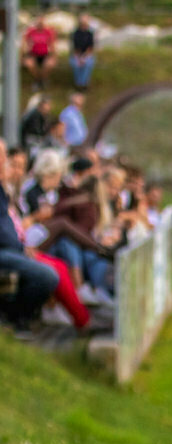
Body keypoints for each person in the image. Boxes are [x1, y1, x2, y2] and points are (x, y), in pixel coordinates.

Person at [0, 140, 59, 339]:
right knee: (47, 275)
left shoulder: (4, 191)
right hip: (7, 251)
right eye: (5, 160)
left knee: (57, 264)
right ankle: (14, 319)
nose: (5, 165)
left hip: (14, 248)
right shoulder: (25, 191)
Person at [21, 15, 58, 91]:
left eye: (42, 23)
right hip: (33, 54)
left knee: (49, 64)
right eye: (38, 23)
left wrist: (54, 56)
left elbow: (52, 45)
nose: (40, 24)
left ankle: (42, 80)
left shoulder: (48, 32)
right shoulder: (31, 32)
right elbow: (24, 43)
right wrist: (23, 55)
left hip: (45, 55)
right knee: (29, 64)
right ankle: (38, 80)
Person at [69, 14, 96, 91]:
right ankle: (78, 83)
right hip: (77, 54)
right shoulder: (75, 33)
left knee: (88, 63)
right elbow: (75, 47)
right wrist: (79, 57)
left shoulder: (90, 33)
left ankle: (84, 84)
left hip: (87, 54)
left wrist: (85, 56)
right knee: (76, 64)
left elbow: (90, 47)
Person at [20, 95, 52, 159]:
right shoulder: (35, 115)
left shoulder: (41, 115)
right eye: (48, 105)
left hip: (32, 142)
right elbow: (37, 131)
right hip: (30, 143)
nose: (49, 107)